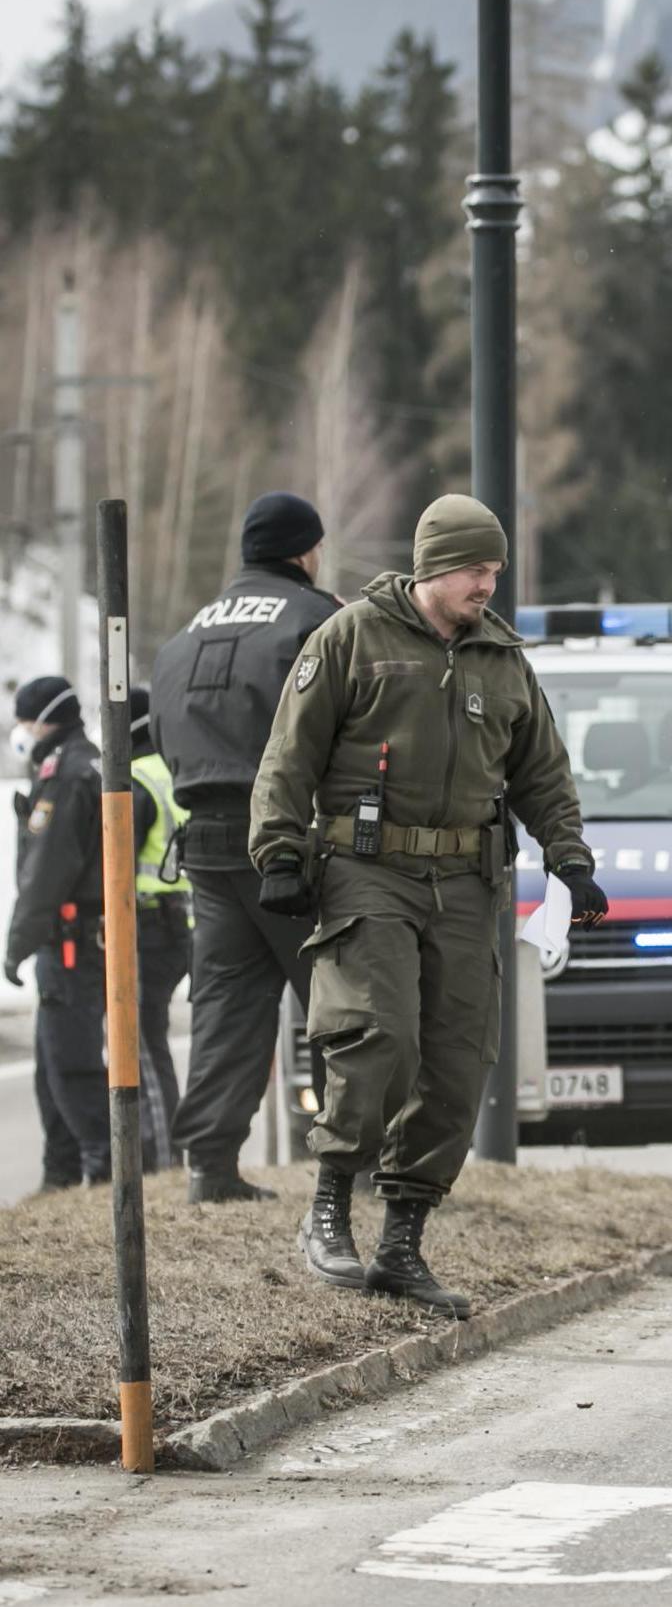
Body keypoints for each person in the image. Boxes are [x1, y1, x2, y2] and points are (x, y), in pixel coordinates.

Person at [251, 494, 607, 1318]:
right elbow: (288, 753)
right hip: (366, 871)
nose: (490, 583)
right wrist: (277, 851)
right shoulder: (350, 638)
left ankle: (402, 1242)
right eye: (478, 569)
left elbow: (543, 774)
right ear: (435, 566)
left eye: (495, 569)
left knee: (456, 1059)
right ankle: (331, 1205)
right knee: (381, 1034)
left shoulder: (503, 659)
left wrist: (570, 859)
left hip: (468, 882)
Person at [150, 491, 340, 1203]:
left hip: (206, 846)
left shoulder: (183, 635)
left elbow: (162, 736)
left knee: (226, 1004)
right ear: (303, 550)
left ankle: (211, 1167)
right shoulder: (318, 618)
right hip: (294, 843)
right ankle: (349, 1167)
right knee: (340, 999)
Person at [4, 678, 109, 1190]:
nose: (19, 731)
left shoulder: (66, 774)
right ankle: (61, 1175)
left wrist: (16, 945)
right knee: (52, 1068)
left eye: (24, 720)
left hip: (69, 940)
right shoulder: (82, 762)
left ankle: (103, 1171)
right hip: (75, 937)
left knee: (72, 1066)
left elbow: (45, 873)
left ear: (45, 718)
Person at [127, 685, 190, 1167]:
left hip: (147, 928)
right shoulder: (171, 769)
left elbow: (114, 864)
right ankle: (167, 1147)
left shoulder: (134, 782)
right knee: (154, 1041)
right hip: (183, 924)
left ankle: (163, 1155)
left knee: (143, 1045)